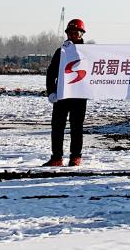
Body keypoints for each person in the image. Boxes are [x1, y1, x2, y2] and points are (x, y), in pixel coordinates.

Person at [44, 18, 88, 167]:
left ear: (82, 34)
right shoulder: (60, 51)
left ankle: (75, 157)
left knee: (76, 127)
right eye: (70, 33)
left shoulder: (88, 53)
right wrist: (51, 92)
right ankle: (57, 157)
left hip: (79, 96)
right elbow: (51, 73)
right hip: (61, 95)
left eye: (76, 33)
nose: (73, 35)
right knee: (57, 127)